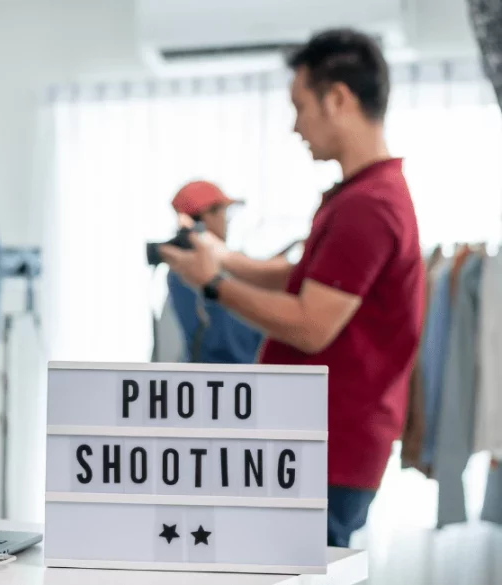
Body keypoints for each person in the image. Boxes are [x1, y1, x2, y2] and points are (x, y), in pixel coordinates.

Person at [161, 29, 424, 548]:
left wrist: (212, 283)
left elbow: (310, 324)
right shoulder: (362, 195)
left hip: (328, 448)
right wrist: (224, 260)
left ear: (339, 98)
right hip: (320, 443)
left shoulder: (367, 206)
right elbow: (306, 278)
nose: (295, 125)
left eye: (300, 106)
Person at [163, 180, 262, 363]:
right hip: (229, 378)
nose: (226, 221)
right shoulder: (190, 269)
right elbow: (228, 342)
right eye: (224, 213)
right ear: (205, 216)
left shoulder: (180, 269)